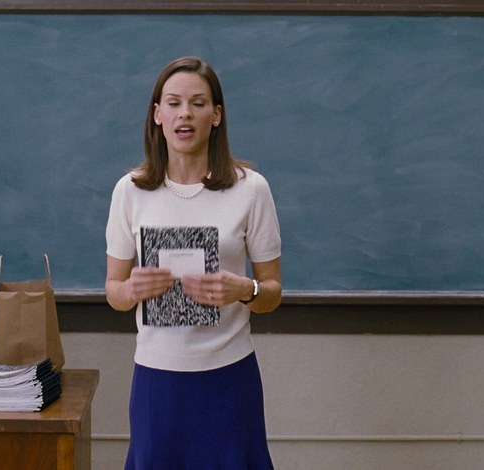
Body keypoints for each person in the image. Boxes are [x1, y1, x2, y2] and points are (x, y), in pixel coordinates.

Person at [105, 56, 282, 470]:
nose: (185, 113)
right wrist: (130, 289)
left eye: (198, 103)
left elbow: (272, 293)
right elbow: (113, 291)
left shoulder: (251, 190)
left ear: (216, 115)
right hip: (157, 380)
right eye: (174, 103)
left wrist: (245, 290)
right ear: (158, 115)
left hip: (229, 376)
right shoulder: (130, 191)